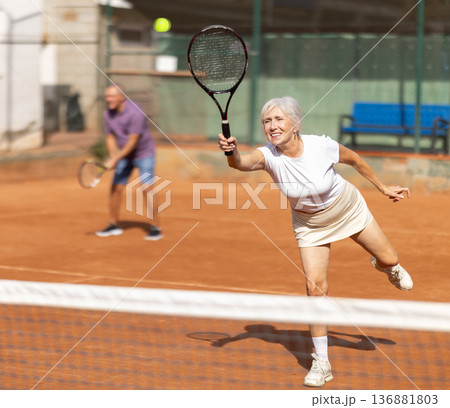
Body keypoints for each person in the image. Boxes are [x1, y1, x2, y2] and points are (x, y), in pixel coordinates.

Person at [217, 96, 413, 387]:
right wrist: (231, 152)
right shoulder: (268, 155)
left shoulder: (321, 146)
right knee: (315, 287)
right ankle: (321, 362)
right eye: (267, 121)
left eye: (279, 119)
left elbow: (355, 160)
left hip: (348, 209)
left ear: (295, 123)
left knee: (390, 258)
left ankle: (387, 266)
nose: (272, 126)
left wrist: (384, 188)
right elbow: (240, 164)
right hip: (310, 225)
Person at [96, 84, 162, 240]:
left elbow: (133, 142)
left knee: (147, 188)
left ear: (121, 97)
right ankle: (113, 224)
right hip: (125, 157)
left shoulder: (135, 113)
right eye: (107, 96)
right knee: (115, 188)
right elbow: (110, 137)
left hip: (143, 154)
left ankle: (155, 227)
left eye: (111, 96)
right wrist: (113, 156)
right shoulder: (107, 114)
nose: (108, 100)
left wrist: (115, 159)